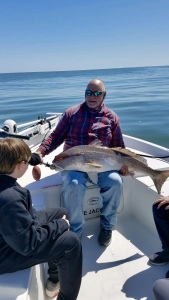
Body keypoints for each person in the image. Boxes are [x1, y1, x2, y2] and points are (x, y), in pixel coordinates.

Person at [36, 78, 129, 246]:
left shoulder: (112, 118)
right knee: (73, 184)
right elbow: (55, 137)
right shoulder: (72, 113)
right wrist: (40, 152)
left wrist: (124, 166)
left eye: (96, 93)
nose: (91, 97)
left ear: (104, 95)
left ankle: (107, 225)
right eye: (88, 93)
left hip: (102, 164)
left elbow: (119, 147)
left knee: (115, 182)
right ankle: (76, 229)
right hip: (74, 164)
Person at [0, 138, 82, 300]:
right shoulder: (10, 199)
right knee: (71, 242)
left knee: (61, 211)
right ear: (20, 165)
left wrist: (34, 157)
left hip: (11, 234)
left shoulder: (5, 181)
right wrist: (60, 226)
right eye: (26, 161)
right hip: (6, 254)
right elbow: (28, 244)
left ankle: (53, 281)